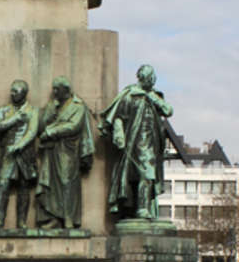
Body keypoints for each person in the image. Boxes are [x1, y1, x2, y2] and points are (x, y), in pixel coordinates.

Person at [100, 64, 173, 219]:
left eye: (153, 79)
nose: (153, 82)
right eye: (150, 78)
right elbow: (118, 117)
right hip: (135, 142)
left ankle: (139, 208)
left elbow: (168, 111)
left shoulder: (153, 96)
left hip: (151, 144)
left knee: (143, 177)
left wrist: (152, 97)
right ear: (143, 78)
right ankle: (141, 209)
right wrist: (119, 135)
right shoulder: (130, 95)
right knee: (146, 175)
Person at [36, 76, 94, 228]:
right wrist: (48, 115)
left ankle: (68, 218)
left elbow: (73, 126)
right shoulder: (53, 105)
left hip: (68, 151)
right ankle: (55, 216)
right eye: (53, 89)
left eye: (57, 89)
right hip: (51, 150)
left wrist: (50, 131)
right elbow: (41, 125)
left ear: (66, 90)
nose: (54, 92)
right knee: (50, 184)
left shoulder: (78, 106)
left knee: (66, 182)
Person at [0, 80, 40, 228]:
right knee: (3, 183)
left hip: (25, 153)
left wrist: (19, 145)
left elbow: (32, 131)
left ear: (24, 94)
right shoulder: (4, 110)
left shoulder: (33, 111)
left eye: (16, 91)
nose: (12, 94)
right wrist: (14, 119)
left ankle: (22, 221)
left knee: (24, 186)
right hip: (7, 153)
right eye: (11, 91)